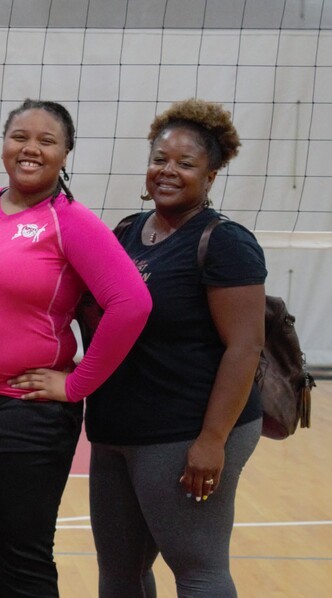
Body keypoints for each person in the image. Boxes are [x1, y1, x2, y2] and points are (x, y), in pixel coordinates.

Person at [0, 99, 152, 597]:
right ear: (4, 145)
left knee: (21, 557)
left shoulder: (69, 221)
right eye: (19, 137)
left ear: (65, 154)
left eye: (46, 141)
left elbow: (131, 304)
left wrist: (77, 385)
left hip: (24, 414)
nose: (30, 148)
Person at [86, 98, 265, 597]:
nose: (168, 171)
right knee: (119, 572)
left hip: (184, 429)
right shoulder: (127, 232)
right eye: (160, 159)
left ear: (210, 176)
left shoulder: (224, 242)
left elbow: (245, 347)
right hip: (118, 425)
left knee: (198, 569)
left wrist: (212, 440)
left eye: (185, 163)